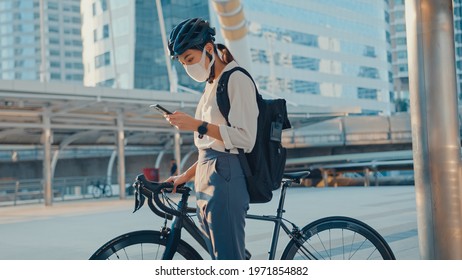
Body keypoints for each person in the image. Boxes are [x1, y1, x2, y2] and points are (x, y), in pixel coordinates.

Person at [164, 18, 258, 260]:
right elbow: (211, 147)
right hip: (207, 175)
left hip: (225, 175)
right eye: (184, 63)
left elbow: (245, 138)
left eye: (190, 59)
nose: (188, 67)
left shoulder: (237, 78)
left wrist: (196, 124)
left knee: (228, 260)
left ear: (208, 49)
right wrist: (184, 176)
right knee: (222, 256)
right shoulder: (211, 86)